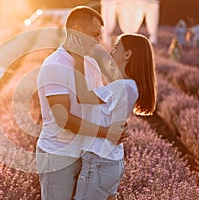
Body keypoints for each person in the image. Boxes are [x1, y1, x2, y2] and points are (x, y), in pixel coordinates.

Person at [36, 6, 129, 200]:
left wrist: (117, 122)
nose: (98, 41)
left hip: (87, 155)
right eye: (94, 34)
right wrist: (107, 132)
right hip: (59, 157)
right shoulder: (55, 65)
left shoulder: (91, 63)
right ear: (77, 31)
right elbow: (64, 120)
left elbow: (96, 105)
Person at [71, 33, 157, 199]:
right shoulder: (130, 86)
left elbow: (81, 96)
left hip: (98, 162)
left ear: (128, 54)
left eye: (116, 47)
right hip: (113, 161)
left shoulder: (122, 86)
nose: (111, 52)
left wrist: (78, 58)